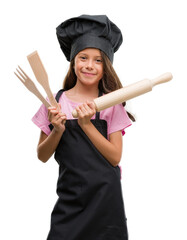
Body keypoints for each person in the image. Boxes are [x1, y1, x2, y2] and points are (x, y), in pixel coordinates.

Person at [32, 15, 134, 240]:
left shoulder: (111, 104)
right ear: (73, 61)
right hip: (70, 201)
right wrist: (57, 130)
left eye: (98, 60)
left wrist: (86, 125)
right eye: (83, 57)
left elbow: (115, 157)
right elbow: (42, 155)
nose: (89, 65)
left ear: (106, 65)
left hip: (105, 203)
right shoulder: (54, 102)